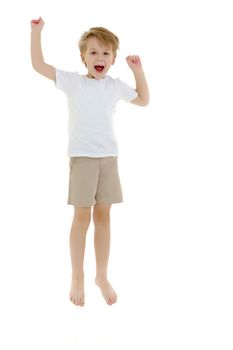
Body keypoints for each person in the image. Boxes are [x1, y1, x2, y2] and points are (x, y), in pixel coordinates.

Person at [30, 17, 149, 307]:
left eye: (106, 53)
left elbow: (144, 100)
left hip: (108, 159)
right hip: (83, 159)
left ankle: (102, 276)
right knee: (82, 218)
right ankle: (77, 276)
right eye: (93, 52)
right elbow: (38, 65)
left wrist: (138, 71)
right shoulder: (73, 82)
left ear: (113, 59)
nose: (99, 57)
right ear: (82, 57)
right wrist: (36, 33)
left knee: (104, 218)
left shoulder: (115, 86)